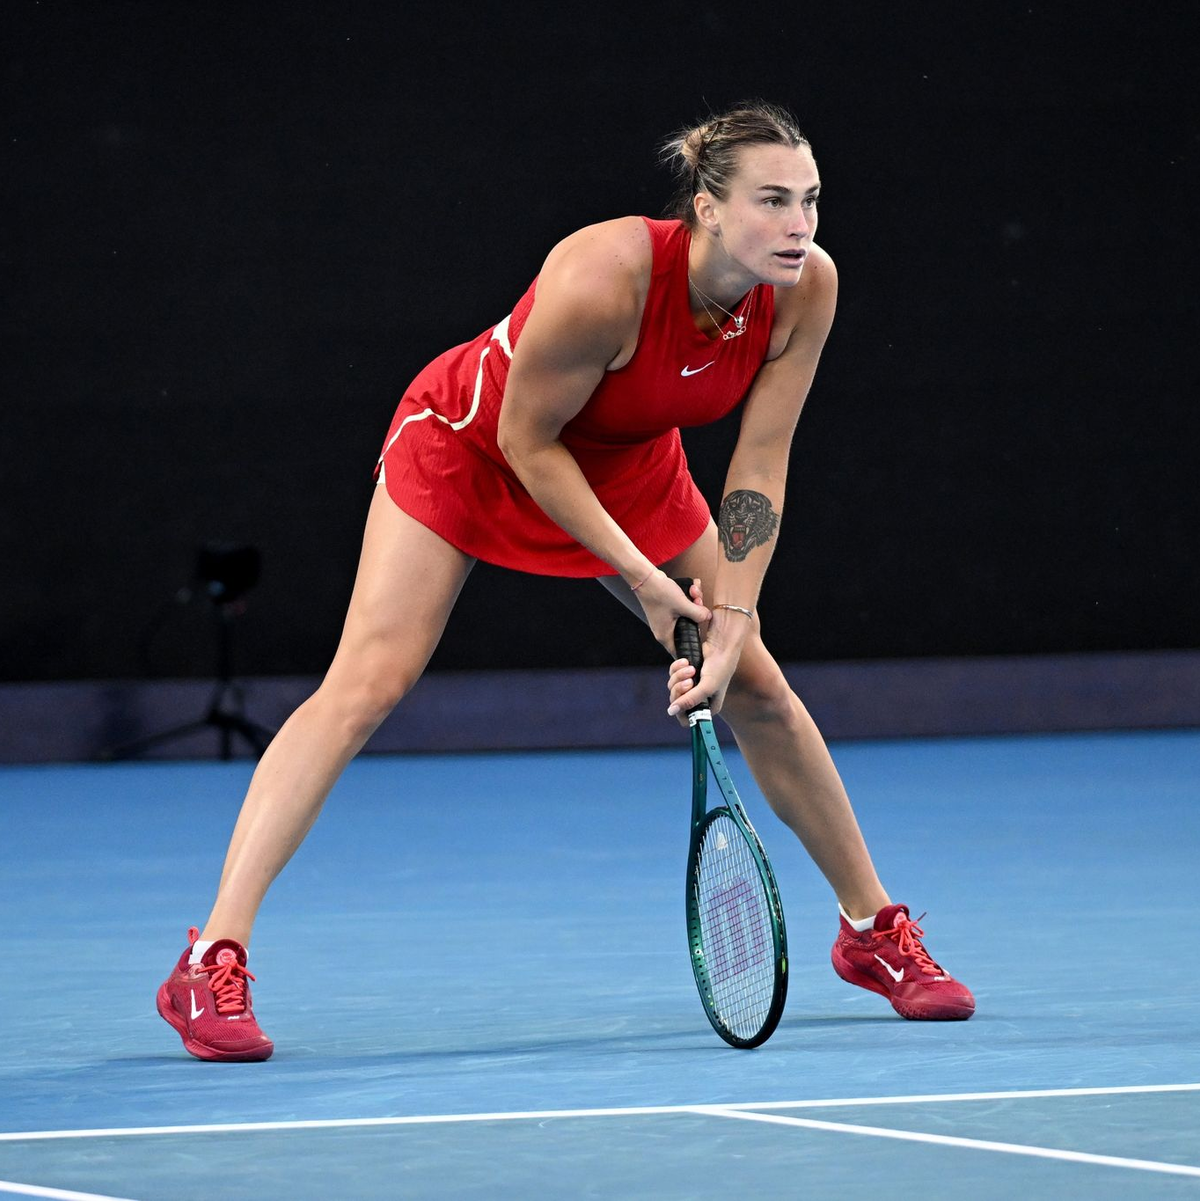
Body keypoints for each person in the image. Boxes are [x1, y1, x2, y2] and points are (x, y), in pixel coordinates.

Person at [157, 101, 974, 1062]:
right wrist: (644, 579)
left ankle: (870, 929)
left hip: (629, 467)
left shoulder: (805, 290)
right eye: (773, 201)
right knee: (367, 683)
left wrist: (735, 614)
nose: (801, 225)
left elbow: (760, 463)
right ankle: (210, 958)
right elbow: (526, 440)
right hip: (473, 449)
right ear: (708, 208)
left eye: (812, 200)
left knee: (756, 684)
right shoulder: (605, 274)